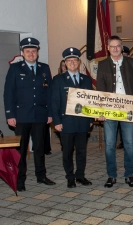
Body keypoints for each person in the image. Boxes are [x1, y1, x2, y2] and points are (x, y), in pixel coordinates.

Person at [3, 37, 55, 192]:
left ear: (37, 52)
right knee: (21, 149)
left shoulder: (44, 68)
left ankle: (41, 176)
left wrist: (50, 113)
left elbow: (50, 93)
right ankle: (20, 180)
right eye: (28, 51)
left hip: (40, 115)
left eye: (34, 51)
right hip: (21, 116)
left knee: (39, 147)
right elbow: (8, 93)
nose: (31, 54)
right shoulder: (15, 69)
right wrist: (10, 115)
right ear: (22, 53)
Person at [97, 35, 133, 188]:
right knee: (110, 144)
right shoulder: (103, 65)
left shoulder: (132, 63)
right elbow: (100, 89)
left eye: (118, 46)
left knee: (129, 143)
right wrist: (100, 110)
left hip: (128, 110)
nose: (115, 49)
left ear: (121, 47)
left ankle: (129, 174)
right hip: (109, 110)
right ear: (108, 48)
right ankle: (111, 175)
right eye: (112, 46)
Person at [51, 47, 94, 188]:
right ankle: (70, 177)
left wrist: (91, 119)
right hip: (66, 122)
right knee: (68, 152)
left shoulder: (86, 80)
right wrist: (56, 121)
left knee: (82, 151)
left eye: (74, 60)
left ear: (79, 62)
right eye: (69, 60)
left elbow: (90, 101)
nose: (72, 62)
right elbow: (54, 102)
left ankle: (80, 176)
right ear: (65, 63)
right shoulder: (58, 80)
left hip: (82, 122)